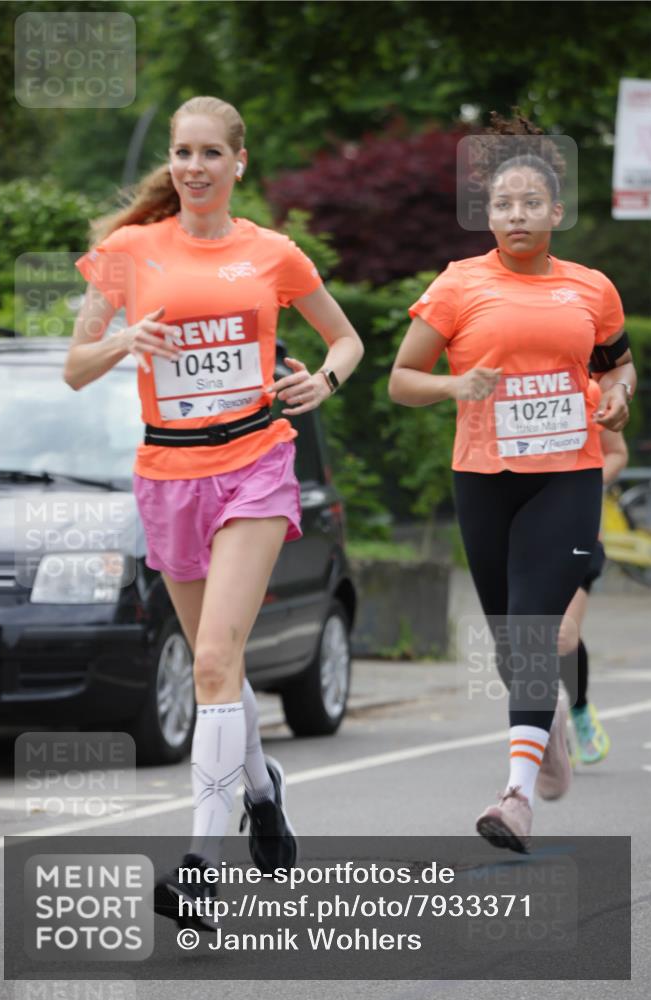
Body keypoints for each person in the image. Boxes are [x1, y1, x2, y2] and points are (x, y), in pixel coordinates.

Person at [65, 95, 363, 925]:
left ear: (238, 162)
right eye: (182, 152)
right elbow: (76, 367)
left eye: (210, 153)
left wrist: (323, 381)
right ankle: (261, 790)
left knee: (212, 662)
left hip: (254, 464)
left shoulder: (271, 253)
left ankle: (201, 863)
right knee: (215, 666)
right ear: (171, 160)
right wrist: (125, 340)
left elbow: (345, 339)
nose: (194, 167)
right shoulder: (128, 252)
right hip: (168, 472)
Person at [388, 112, 636, 854]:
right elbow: (402, 380)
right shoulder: (458, 285)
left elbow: (617, 367)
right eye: (502, 204)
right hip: (484, 478)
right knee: (508, 643)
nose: (516, 214)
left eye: (531, 203)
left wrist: (619, 394)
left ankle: (515, 796)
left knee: (532, 628)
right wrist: (455, 384)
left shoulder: (591, 289)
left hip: (567, 477)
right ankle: (546, 723)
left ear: (556, 212)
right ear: (487, 215)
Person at [559, 424, 628, 763]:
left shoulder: (591, 394)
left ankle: (579, 709)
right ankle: (545, 729)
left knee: (563, 634)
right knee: (526, 634)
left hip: (577, 534)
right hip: (521, 538)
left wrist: (584, 482)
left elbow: (617, 453)